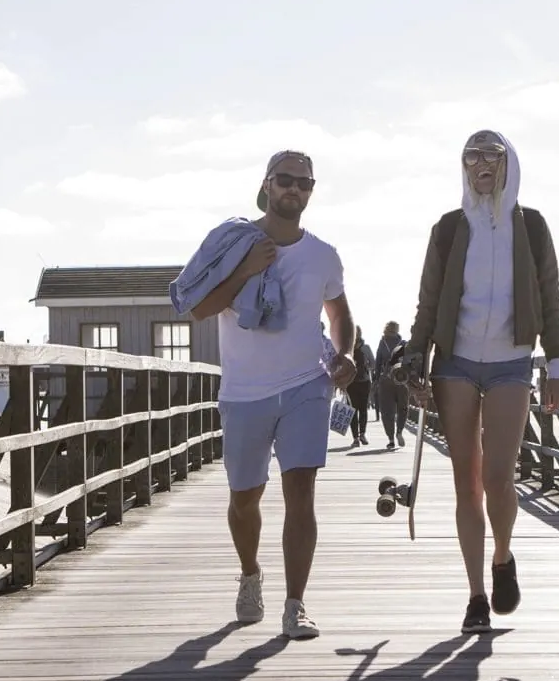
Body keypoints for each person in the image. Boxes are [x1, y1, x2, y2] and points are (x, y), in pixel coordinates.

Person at [171, 149, 355, 639]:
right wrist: (247, 269)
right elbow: (200, 309)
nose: (294, 189)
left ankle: (296, 604)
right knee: (244, 497)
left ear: (311, 191)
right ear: (267, 185)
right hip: (245, 391)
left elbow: (339, 314)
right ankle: (250, 574)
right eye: (285, 180)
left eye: (304, 182)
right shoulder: (236, 244)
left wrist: (345, 354)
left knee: (301, 493)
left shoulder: (323, 255)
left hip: (305, 387)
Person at [405, 130, 559, 633]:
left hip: (511, 361)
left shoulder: (532, 227)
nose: (481, 164)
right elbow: (429, 300)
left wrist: (557, 363)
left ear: (507, 163)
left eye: (491, 155)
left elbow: (551, 296)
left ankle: (502, 557)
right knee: (466, 483)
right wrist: (415, 355)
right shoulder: (450, 228)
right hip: (453, 362)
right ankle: (476, 595)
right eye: (471, 156)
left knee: (499, 478)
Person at [372, 320, 408, 446]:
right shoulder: (403, 344)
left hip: (386, 379)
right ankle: (399, 431)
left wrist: (376, 381)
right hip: (401, 379)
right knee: (402, 407)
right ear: (397, 330)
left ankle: (391, 439)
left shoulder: (382, 343)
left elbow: (377, 363)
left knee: (387, 410)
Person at [344, 319, 373, 447]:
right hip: (364, 381)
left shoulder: (345, 346)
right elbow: (373, 363)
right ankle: (362, 435)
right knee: (362, 409)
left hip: (350, 382)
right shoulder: (365, 348)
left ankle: (356, 437)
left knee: (353, 409)